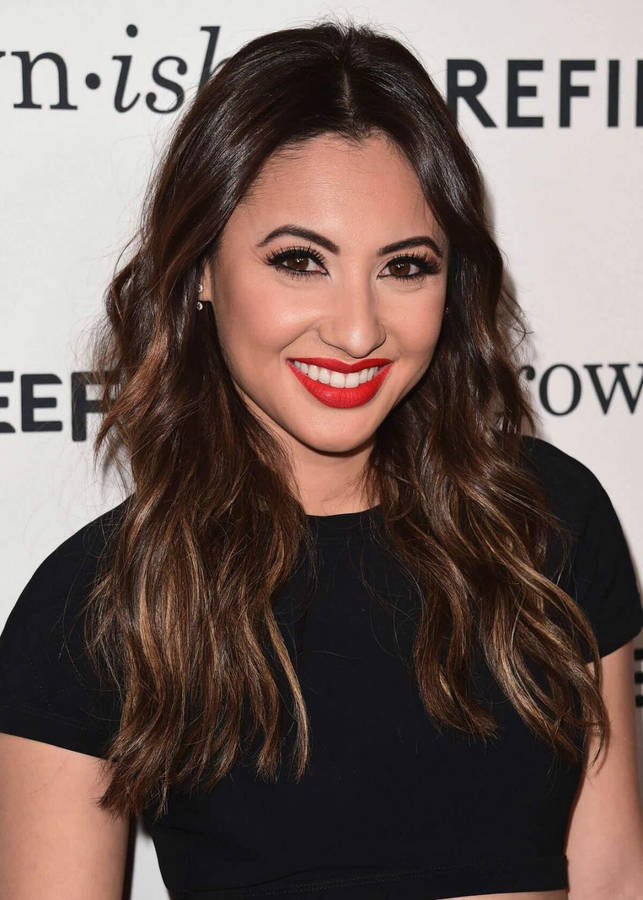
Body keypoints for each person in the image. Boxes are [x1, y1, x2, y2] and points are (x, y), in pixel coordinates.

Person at [1, 17, 642, 900]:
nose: (355, 330)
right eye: (300, 260)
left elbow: (613, 875)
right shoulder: (98, 609)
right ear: (199, 271)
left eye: (405, 266)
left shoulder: (547, 522)